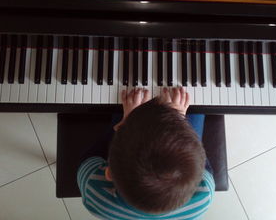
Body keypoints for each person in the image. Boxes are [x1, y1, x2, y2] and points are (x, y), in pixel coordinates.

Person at [77, 87, 215, 220]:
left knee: (125, 104)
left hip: (117, 177)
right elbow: (204, 173)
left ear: (109, 173)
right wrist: (178, 117)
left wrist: (127, 121)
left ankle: (124, 120)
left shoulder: (94, 193)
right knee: (194, 97)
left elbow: (87, 162)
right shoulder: (204, 195)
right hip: (188, 176)